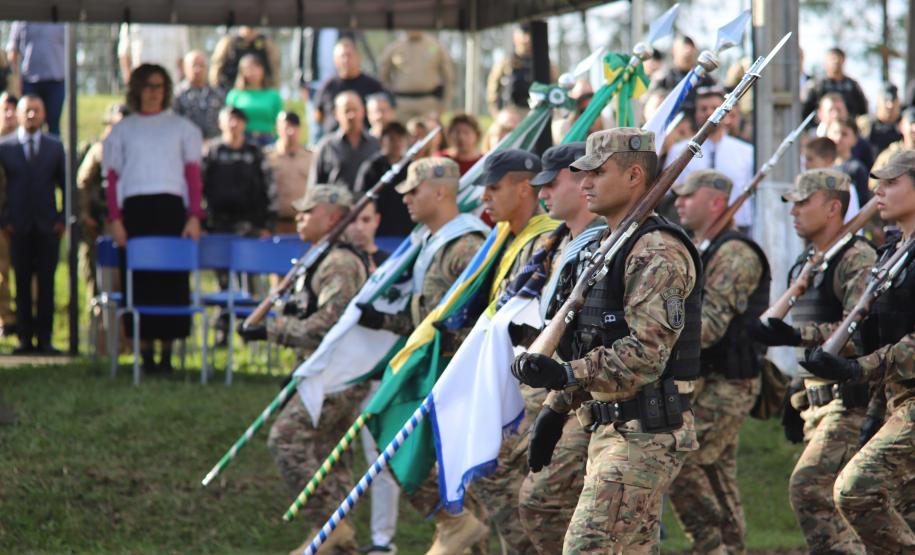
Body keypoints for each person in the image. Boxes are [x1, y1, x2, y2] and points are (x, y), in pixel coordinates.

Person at [512, 128, 702, 553]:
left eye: (597, 173)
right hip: (611, 427)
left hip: (645, 433)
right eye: (583, 174)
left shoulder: (656, 251)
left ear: (635, 175)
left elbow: (648, 354)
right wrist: (556, 407)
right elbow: (593, 339)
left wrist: (564, 376)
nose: (584, 184)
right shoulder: (605, 245)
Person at [355, 157, 489, 555]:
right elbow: (428, 316)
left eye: (414, 191)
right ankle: (458, 526)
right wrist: (384, 320)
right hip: (435, 370)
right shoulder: (431, 241)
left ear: (441, 191)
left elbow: (481, 318)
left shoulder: (466, 244)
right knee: (447, 475)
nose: (407, 200)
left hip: (455, 375)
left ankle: (455, 523)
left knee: (411, 452)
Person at [748, 169, 876, 554]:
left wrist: (794, 336)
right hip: (815, 403)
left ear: (834, 207)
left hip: (849, 401)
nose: (794, 212)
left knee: (810, 490)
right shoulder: (810, 261)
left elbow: (858, 331)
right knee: (835, 504)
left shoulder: (857, 258)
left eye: (804, 202)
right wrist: (794, 390)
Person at [241, 185, 369, 555]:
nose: (298, 218)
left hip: (338, 377)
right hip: (325, 374)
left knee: (287, 439)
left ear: (331, 216)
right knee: (333, 460)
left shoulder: (340, 263)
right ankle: (340, 542)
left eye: (306, 212)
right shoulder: (319, 257)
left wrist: (270, 329)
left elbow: (329, 325)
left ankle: (331, 524)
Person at [799, 149, 915, 553]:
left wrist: (855, 370)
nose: (878, 193)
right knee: (901, 506)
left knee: (855, 490)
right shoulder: (895, 251)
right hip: (893, 397)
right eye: (877, 185)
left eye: (891, 183)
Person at [668, 170, 770, 554]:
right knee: (715, 473)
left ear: (715, 202)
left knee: (675, 456)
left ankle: (711, 542)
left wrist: (659, 330)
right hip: (710, 378)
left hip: (731, 381)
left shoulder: (735, 253)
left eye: (688, 196)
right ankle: (728, 544)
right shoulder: (705, 246)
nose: (679, 202)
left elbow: (708, 327)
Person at [516, 142, 607, 554]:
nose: (542, 193)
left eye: (551, 183)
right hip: (558, 392)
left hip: (595, 395)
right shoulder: (552, 248)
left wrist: (560, 394)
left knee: (541, 501)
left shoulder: (603, 247)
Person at [472, 148, 560, 554]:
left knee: (497, 470)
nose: (484, 197)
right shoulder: (508, 238)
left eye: (494, 187)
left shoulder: (544, 239)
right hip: (506, 373)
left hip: (534, 380)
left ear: (526, 188)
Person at [103, 64, 205, 373]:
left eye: (159, 85)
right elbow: (112, 179)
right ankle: (143, 354)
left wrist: (194, 216)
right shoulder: (122, 130)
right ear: (136, 89)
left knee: (171, 281)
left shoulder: (183, 128)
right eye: (147, 85)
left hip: (172, 212)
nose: (153, 91)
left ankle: (167, 354)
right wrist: (116, 220)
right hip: (135, 213)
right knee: (140, 283)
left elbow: (193, 177)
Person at [0, 94, 66, 354]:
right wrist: (4, 220)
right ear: (18, 114)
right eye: (27, 111)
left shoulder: (54, 147)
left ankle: (46, 338)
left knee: (47, 284)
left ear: (44, 115)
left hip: (48, 227)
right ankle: (25, 338)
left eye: (36, 111)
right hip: (18, 227)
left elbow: (66, 185)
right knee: (22, 283)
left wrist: (61, 219)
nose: (31, 115)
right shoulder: (5, 148)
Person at [667, 87, 754, 231]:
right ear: (696, 114)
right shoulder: (680, 151)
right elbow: (673, 190)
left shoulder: (746, 152)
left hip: (736, 227)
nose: (709, 112)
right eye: (703, 108)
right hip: (692, 229)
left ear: (728, 113)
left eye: (714, 108)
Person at [77, 103, 129, 308]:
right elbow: (82, 183)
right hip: (100, 225)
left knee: (125, 284)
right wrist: (85, 214)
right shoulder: (100, 150)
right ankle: (100, 332)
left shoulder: (134, 151)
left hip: (127, 226)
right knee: (100, 284)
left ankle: (125, 336)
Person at [202, 106, 271, 237]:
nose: (234, 124)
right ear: (219, 123)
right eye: (230, 119)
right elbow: (200, 185)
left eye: (239, 120)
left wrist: (267, 223)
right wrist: (201, 222)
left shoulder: (255, 152)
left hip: (251, 224)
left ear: (244, 124)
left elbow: (268, 186)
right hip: (216, 225)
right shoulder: (211, 152)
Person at [313, 37, 386, 135]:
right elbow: (318, 115)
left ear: (359, 57)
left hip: (366, 144)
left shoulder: (373, 86)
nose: (346, 60)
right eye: (342, 56)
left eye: (349, 55)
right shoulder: (328, 86)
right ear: (335, 60)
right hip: (334, 143)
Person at [311, 91, 380, 190]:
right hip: (335, 203)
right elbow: (315, 185)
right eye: (346, 111)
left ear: (363, 111)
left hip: (368, 204)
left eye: (355, 110)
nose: (351, 115)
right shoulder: (327, 146)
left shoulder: (376, 144)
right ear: (336, 114)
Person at [354, 121, 413, 237]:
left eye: (400, 139)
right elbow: (360, 196)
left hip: (405, 229)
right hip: (378, 230)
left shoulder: (410, 167)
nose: (396, 143)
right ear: (382, 141)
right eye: (391, 139)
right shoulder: (371, 167)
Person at [5, 22, 65, 135]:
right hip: (29, 81)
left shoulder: (61, 18)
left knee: (54, 126)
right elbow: (12, 51)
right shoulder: (21, 19)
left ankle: (53, 152)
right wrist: (15, 80)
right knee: (29, 124)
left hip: (56, 80)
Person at [379, 31, 454, 121]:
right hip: (402, 104)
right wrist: (388, 103)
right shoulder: (395, 47)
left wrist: (444, 104)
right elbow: (383, 78)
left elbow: (448, 78)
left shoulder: (434, 46)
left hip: (428, 104)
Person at [486, 24, 557, 116]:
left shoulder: (546, 64)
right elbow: (493, 92)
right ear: (515, 36)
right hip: (511, 113)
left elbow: (554, 87)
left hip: (538, 114)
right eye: (523, 34)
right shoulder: (505, 63)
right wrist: (497, 114)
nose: (527, 39)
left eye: (530, 34)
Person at [264, 111, 313, 234]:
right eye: (286, 126)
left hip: (302, 223)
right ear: (277, 128)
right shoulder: (266, 157)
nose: (290, 131)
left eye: (294, 127)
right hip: (275, 223)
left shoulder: (311, 157)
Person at [225, 54, 283, 146]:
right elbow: (227, 120)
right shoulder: (234, 95)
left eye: (255, 68)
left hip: (268, 140)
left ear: (262, 69)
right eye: (247, 69)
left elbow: (280, 122)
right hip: (242, 141)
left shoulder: (273, 95)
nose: (252, 72)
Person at [650, 36, 716, 115]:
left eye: (690, 51)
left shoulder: (705, 80)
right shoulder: (663, 78)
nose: (687, 53)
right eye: (683, 49)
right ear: (674, 51)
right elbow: (651, 105)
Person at [803, 137, 862, 223]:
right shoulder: (806, 188)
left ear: (828, 160)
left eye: (810, 159)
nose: (806, 165)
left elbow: (853, 224)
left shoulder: (846, 189)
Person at [802, 47, 869, 119]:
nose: (836, 61)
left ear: (843, 60)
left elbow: (863, 111)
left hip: (848, 127)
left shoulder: (852, 85)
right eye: (832, 58)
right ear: (825, 62)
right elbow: (806, 110)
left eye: (838, 58)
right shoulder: (816, 85)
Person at [210, 26, 281, 92]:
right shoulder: (229, 41)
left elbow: (275, 68)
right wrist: (215, 87)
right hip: (230, 88)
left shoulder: (267, 43)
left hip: (260, 92)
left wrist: (275, 88)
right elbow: (217, 65)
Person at [173, 50, 225, 140]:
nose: (198, 69)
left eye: (202, 66)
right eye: (194, 65)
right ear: (185, 68)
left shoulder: (217, 93)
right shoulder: (177, 94)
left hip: (214, 145)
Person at [117, 23, 190, 85]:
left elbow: (183, 57)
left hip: (170, 83)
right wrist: (129, 83)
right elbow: (124, 54)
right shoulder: (133, 17)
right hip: (141, 83)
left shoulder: (176, 19)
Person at [0, 92, 18, 335]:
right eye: (4, 109)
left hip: (23, 218)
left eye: (13, 109)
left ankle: (26, 318)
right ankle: (6, 319)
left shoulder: (25, 145)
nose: (9, 114)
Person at [826, 117, 871, 205]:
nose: (838, 138)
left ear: (855, 140)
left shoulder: (856, 168)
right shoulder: (821, 164)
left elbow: (861, 202)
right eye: (835, 132)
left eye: (844, 134)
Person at [870, 107, 915, 191]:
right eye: (911, 123)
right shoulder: (890, 154)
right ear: (901, 126)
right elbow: (874, 184)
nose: (914, 128)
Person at [858, 83, 902, 158]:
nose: (890, 105)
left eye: (893, 101)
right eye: (886, 101)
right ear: (878, 101)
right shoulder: (865, 123)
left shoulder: (905, 124)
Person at [345, 201, 388, 270]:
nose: (359, 228)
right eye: (352, 220)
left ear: (377, 220)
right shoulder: (332, 261)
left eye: (366, 220)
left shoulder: (391, 264)